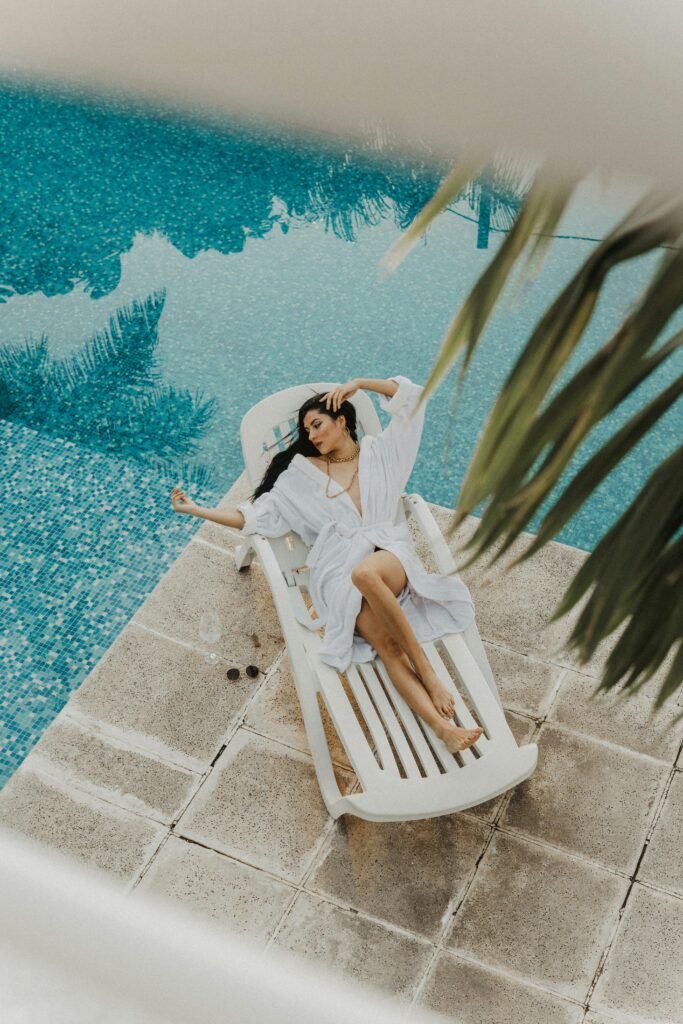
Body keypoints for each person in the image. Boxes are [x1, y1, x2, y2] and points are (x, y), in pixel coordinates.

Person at [170, 375, 482, 753]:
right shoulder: (296, 479)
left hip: (387, 557)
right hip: (338, 577)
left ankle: (428, 673)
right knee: (386, 647)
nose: (312, 436)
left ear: (342, 420)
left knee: (366, 572)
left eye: (317, 425)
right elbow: (255, 517)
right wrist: (196, 510)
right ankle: (443, 730)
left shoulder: (383, 453)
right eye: (307, 431)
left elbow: (413, 401)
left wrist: (362, 384)